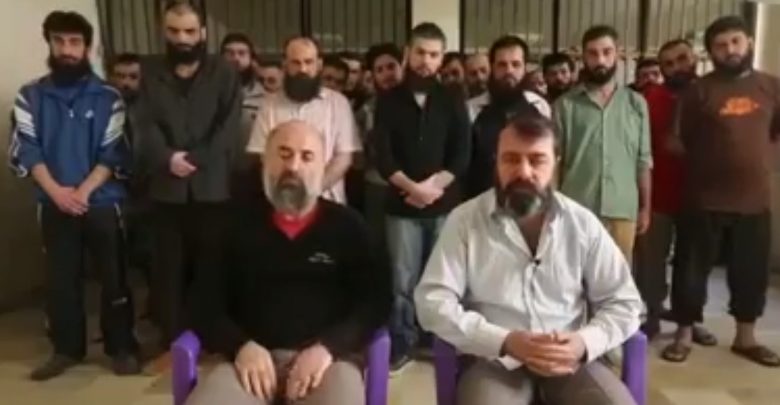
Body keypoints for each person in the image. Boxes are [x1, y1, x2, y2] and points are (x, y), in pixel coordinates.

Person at [415, 114, 642, 405]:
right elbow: (432, 301)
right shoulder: (465, 221)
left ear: (555, 163)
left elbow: (624, 302)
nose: (523, 172)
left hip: (568, 359)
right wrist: (504, 341)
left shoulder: (582, 224)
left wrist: (583, 343)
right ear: (496, 162)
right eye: (511, 159)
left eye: (537, 160)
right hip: (495, 360)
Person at [186, 120, 392, 405]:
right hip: (245, 363)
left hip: (327, 364)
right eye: (284, 154)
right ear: (264, 160)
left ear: (323, 167)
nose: (293, 166)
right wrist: (240, 347)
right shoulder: (231, 226)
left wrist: (329, 347)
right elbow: (203, 303)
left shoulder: (350, 228)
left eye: (307, 157)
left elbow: (374, 303)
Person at [9, 11, 139, 380]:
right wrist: (56, 192)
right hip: (53, 203)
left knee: (114, 279)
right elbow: (26, 149)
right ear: (49, 44)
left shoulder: (109, 97)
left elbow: (114, 151)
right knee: (60, 281)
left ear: (88, 47)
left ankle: (122, 348)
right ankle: (66, 350)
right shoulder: (30, 96)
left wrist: (82, 192)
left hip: (102, 202)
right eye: (59, 41)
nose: (67, 50)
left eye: (74, 42)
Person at [663, 16, 780, 367]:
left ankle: (746, 338)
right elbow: (674, 141)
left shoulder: (771, 87)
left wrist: (763, 160)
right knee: (690, 270)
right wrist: (710, 159)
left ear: (749, 43)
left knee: (751, 273)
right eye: (721, 45)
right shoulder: (698, 91)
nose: (730, 50)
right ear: (710, 52)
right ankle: (684, 335)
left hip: (754, 201)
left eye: (736, 42)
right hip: (703, 199)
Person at [136, 1, 242, 348]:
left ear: (203, 33)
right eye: (174, 31)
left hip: (212, 188)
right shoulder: (149, 72)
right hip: (166, 188)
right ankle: (173, 339)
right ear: (164, 32)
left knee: (211, 266)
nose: (182, 39)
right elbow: (144, 123)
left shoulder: (224, 72)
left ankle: (211, 337)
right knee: (168, 270)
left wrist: (194, 159)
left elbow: (228, 127)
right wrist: (167, 157)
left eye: (189, 31)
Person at [372, 22, 470, 373]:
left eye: (433, 55)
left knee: (441, 280)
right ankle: (402, 342)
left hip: (444, 208)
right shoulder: (389, 99)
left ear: (441, 58)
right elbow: (382, 156)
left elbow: (462, 154)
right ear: (407, 53)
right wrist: (413, 189)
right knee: (402, 282)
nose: (426, 62)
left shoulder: (452, 98)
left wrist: (432, 189)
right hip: (401, 208)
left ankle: (436, 341)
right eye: (420, 53)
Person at [633, 39, 715, 346]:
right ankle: (653, 314)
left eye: (682, 59)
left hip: (701, 198)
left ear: (694, 58)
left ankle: (689, 320)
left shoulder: (710, 93)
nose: (677, 67)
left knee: (694, 264)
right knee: (651, 263)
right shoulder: (649, 99)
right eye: (668, 64)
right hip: (659, 197)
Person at [553, 25, 652, 261]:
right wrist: (553, 207)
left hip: (622, 208)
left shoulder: (636, 104)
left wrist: (645, 207)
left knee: (617, 276)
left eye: (607, 52)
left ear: (617, 54)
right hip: (576, 208)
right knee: (573, 274)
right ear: (583, 57)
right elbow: (555, 162)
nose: (600, 60)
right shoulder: (565, 105)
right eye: (593, 53)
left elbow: (643, 161)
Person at [248, 36, 360, 205]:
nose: (303, 69)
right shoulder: (268, 105)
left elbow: (343, 158)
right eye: (296, 62)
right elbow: (265, 156)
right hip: (281, 201)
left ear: (319, 65)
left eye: (308, 62)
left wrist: (311, 193)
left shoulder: (339, 104)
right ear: (285, 65)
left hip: (328, 201)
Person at [466, 35, 551, 199]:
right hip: (482, 201)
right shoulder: (472, 109)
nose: (509, 71)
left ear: (525, 68)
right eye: (502, 65)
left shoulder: (539, 106)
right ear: (492, 68)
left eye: (516, 64)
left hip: (529, 198)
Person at [355, 42, 404, 266]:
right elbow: (359, 157)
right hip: (378, 188)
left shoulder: (421, 104)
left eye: (391, 67)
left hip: (413, 187)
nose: (387, 75)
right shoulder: (366, 111)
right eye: (379, 70)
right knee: (379, 249)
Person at [107, 52, 151, 275]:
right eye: (120, 76)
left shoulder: (153, 108)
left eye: (133, 77)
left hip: (149, 186)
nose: (125, 82)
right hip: (112, 185)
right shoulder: (102, 109)